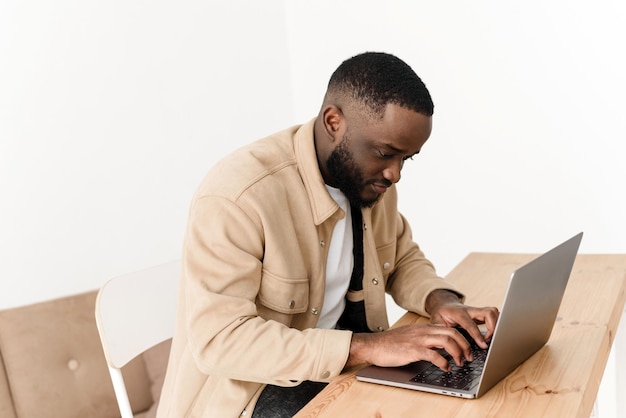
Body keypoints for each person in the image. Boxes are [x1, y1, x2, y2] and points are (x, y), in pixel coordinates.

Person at [157, 52, 499, 418]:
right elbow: (221, 342)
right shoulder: (240, 195)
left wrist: (441, 301)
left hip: (338, 371)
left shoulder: (370, 179)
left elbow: (400, 257)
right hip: (249, 394)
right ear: (334, 121)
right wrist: (367, 348)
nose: (395, 174)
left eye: (407, 159)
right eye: (386, 153)